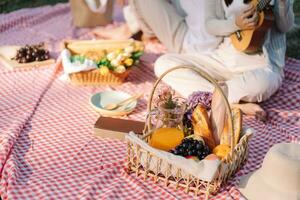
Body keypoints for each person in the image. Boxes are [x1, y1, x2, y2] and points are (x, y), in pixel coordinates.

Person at [144, 0, 294, 122]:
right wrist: (235, 24)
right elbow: (210, 25)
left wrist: (282, 3)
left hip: (261, 65)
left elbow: (285, 26)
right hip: (224, 58)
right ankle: (232, 104)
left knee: (261, 83)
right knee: (164, 64)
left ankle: (212, 97)